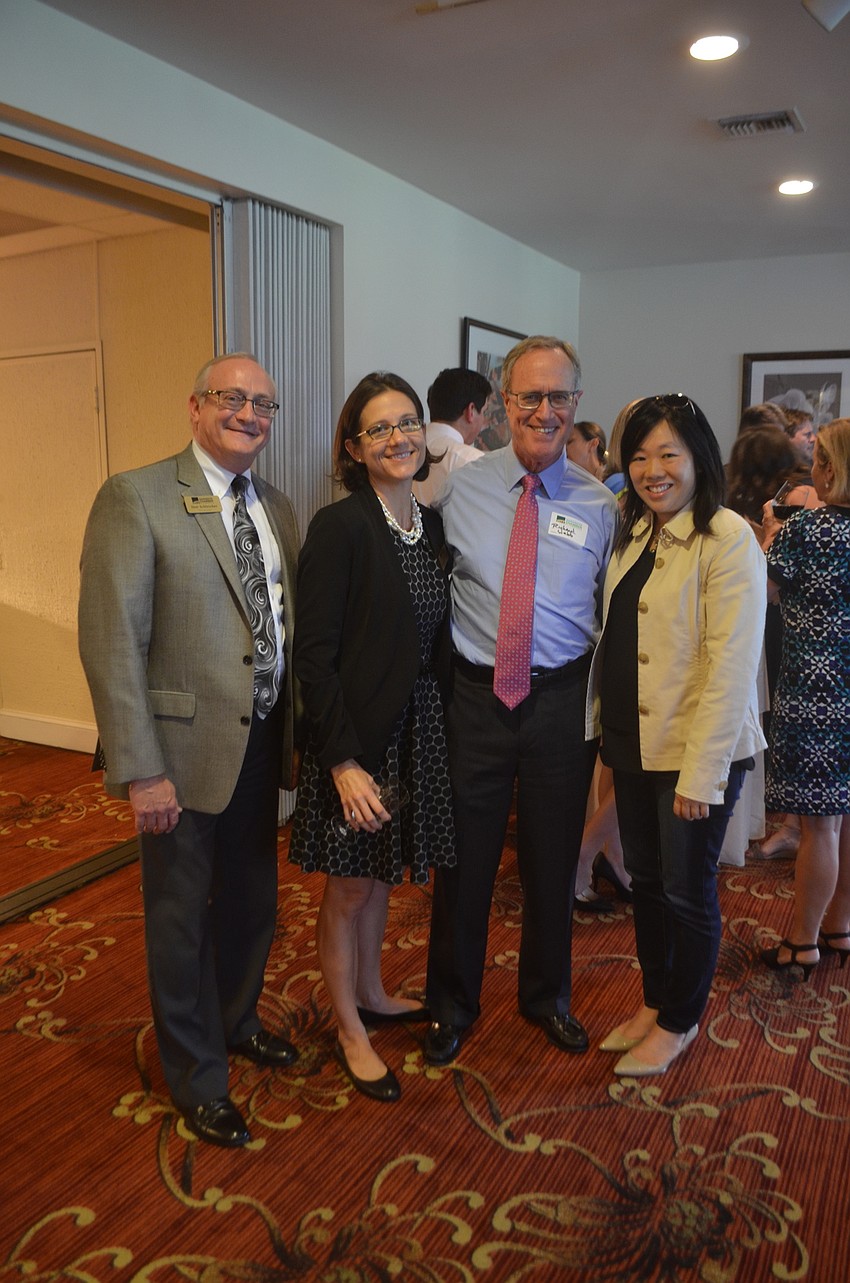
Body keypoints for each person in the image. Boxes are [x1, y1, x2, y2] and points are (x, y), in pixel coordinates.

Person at [78, 353, 302, 1148]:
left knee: (252, 905)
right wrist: (141, 769)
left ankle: (237, 1020)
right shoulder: (135, 496)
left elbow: (278, 624)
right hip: (176, 756)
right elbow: (112, 644)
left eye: (264, 405)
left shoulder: (276, 506)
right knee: (180, 921)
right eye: (233, 399)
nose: (249, 414)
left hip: (262, 745)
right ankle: (197, 1075)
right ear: (196, 405)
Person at [424, 336, 618, 1065]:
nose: (544, 410)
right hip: (475, 699)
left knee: (551, 859)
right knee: (465, 863)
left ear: (575, 404)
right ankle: (451, 1002)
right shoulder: (456, 488)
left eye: (558, 396)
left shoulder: (601, 507)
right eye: (529, 396)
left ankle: (547, 997)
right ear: (504, 404)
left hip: (562, 703)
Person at [289, 372, 456, 1102]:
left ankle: (374, 988)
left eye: (408, 423)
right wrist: (342, 761)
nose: (398, 438)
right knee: (350, 883)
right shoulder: (342, 526)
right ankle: (349, 1024)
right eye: (379, 429)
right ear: (354, 448)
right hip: (356, 739)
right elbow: (313, 655)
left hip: (415, 726)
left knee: (384, 870)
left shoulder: (429, 523)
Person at [589, 394, 765, 1076]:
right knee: (650, 882)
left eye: (667, 454)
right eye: (637, 456)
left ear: (698, 456)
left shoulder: (726, 536)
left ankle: (681, 1018)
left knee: (688, 889)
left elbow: (731, 665)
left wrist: (703, 774)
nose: (651, 469)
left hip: (699, 749)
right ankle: (655, 1001)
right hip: (635, 738)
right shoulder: (637, 530)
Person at [759, 418, 850, 978]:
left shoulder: (810, 530)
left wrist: (768, 533)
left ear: (829, 470)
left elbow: (762, 590)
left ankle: (803, 940)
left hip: (815, 690)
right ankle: (840, 926)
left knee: (820, 824)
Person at [413, 367, 491, 506]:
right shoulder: (473, 462)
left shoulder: (407, 450)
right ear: (471, 411)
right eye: (484, 412)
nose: (484, 421)